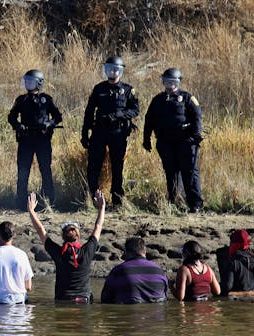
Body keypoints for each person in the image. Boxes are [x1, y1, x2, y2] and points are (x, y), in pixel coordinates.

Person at [81, 56, 139, 208]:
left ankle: (117, 201)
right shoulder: (99, 89)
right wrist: (84, 133)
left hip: (118, 133)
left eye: (115, 69)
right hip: (99, 132)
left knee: (117, 167)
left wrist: (119, 115)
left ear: (120, 71)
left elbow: (135, 110)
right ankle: (94, 198)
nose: (112, 72)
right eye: (109, 69)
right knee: (94, 166)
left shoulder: (127, 90)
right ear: (105, 70)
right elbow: (89, 112)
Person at [143, 68, 204, 213]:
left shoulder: (188, 97)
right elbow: (148, 120)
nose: (170, 85)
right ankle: (173, 201)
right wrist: (146, 139)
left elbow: (197, 117)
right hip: (165, 142)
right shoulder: (157, 100)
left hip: (186, 141)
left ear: (178, 82)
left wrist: (196, 135)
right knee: (170, 172)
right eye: (167, 82)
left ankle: (195, 204)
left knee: (189, 172)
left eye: (173, 82)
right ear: (163, 82)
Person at [27, 190, 105, 302]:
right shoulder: (87, 250)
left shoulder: (58, 253)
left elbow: (41, 231)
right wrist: (102, 208)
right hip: (84, 300)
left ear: (63, 236)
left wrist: (31, 211)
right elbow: (98, 226)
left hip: (63, 299)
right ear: (78, 236)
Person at [8, 69, 62, 210]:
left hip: (42, 139)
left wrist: (49, 123)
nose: (28, 84)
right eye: (26, 81)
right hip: (25, 139)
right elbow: (11, 117)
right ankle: (21, 203)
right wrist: (18, 126)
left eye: (31, 81)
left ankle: (49, 201)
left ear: (38, 83)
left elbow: (58, 117)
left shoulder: (46, 99)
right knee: (23, 171)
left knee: (45, 169)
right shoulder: (21, 100)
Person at [101, 237, 168, 304]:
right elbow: (165, 297)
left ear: (126, 252)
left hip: (128, 312)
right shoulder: (160, 271)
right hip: (155, 312)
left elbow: (105, 299)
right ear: (144, 250)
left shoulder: (117, 271)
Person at [0, 221, 34, 304]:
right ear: (14, 235)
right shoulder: (22, 254)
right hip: (20, 303)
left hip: (0, 303)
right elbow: (28, 287)